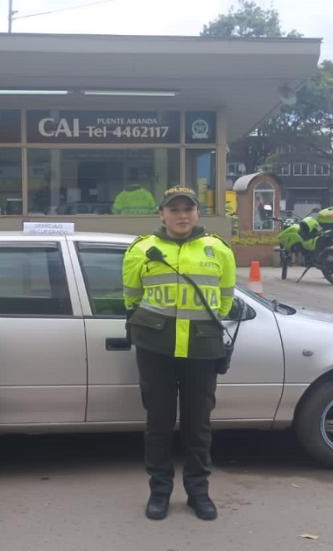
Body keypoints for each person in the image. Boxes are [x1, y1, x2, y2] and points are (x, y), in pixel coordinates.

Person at [122, 186, 236, 522]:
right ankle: (159, 492)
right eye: (174, 209)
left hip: (201, 348)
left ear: (197, 213)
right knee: (158, 424)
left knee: (197, 426)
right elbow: (131, 298)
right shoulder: (141, 250)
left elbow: (225, 300)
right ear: (162, 214)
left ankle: (198, 493)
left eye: (188, 208)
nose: (182, 215)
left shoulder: (219, 250)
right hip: (156, 349)